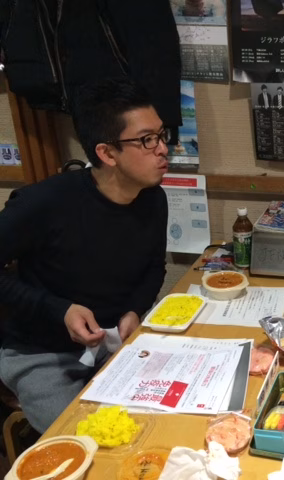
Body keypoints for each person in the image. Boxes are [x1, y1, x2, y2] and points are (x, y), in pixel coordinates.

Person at [0, 78, 169, 433]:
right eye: (146, 140)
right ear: (107, 153)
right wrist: (60, 310)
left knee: (163, 423)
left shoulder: (153, 198)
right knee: (88, 441)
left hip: (114, 342)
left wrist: (134, 309)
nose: (163, 149)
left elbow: (154, 266)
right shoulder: (43, 203)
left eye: (161, 135)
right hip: (42, 353)